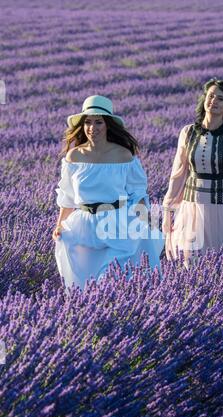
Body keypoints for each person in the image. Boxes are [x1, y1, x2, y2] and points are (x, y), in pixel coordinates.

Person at [53, 95, 164, 290]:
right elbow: (67, 196)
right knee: (85, 285)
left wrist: (146, 223)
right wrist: (60, 225)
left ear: (108, 125)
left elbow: (137, 193)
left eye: (98, 122)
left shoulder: (123, 155)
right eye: (87, 122)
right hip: (83, 226)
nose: (92, 128)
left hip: (116, 223)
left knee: (110, 279)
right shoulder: (74, 155)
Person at [162, 78, 223, 268]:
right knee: (191, 263)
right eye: (211, 96)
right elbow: (177, 175)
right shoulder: (188, 133)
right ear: (204, 99)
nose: (213, 101)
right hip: (192, 208)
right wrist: (168, 210)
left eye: (220, 99)